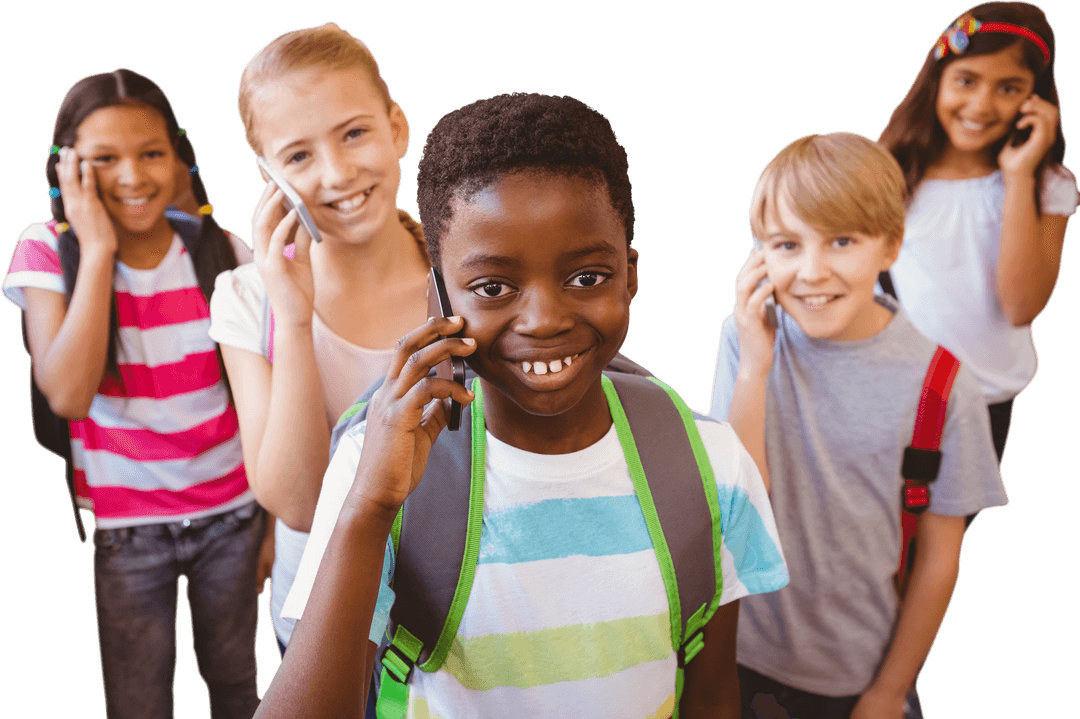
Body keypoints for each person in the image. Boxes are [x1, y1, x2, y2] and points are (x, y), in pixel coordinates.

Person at [259, 92, 788, 719]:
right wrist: (370, 507)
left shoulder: (710, 464)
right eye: (493, 287)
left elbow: (713, 691)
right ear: (439, 295)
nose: (543, 320)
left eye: (587, 277)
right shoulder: (372, 469)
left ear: (630, 276)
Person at [709, 132, 1008, 719]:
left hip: (859, 676)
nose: (811, 272)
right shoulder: (745, 339)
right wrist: (755, 367)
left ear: (891, 245)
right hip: (736, 656)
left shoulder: (944, 385)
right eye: (787, 244)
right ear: (759, 256)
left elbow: (939, 561)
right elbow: (739, 505)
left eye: (842, 241)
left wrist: (889, 691)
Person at [2, 68, 261, 719]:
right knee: (138, 702)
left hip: (234, 515)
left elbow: (268, 400)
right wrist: (95, 251)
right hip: (128, 529)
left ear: (179, 156)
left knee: (236, 682)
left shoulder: (225, 253)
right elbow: (68, 393)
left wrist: (275, 526)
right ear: (65, 168)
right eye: (104, 159)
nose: (132, 176)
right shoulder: (44, 251)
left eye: (151, 153)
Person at [208, 23, 430, 657]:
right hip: (324, 632)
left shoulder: (466, 278)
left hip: (457, 623)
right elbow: (301, 504)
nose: (337, 173)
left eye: (354, 133)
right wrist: (295, 316)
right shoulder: (247, 299)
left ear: (396, 128)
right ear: (268, 176)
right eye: (299, 156)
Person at [879, 1, 1078, 465]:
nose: (981, 105)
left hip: (984, 401)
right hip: (890, 393)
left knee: (951, 515)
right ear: (938, 80)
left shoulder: (1048, 186)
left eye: (1008, 88)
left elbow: (1021, 306)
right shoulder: (887, 170)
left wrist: (1018, 175)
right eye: (966, 81)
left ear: (1035, 99)